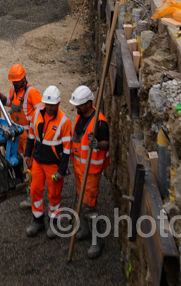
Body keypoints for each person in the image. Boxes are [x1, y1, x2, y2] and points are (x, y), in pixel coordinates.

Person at [25, 86, 72, 239]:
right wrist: (27, 154)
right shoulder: (37, 114)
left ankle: (54, 223)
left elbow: (67, 150)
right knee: (35, 191)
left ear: (58, 103)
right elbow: (31, 136)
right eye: (47, 104)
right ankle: (38, 221)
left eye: (53, 105)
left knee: (54, 195)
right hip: (38, 162)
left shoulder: (64, 121)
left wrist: (62, 170)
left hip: (54, 166)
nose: (50, 108)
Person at [68, 85, 109, 259]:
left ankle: (97, 240)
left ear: (89, 103)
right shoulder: (80, 116)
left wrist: (98, 145)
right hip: (79, 168)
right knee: (81, 201)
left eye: (79, 105)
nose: (76, 107)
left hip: (91, 171)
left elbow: (106, 143)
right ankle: (85, 230)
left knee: (89, 206)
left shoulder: (100, 122)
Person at [6, 65, 43, 172]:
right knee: (17, 158)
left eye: (17, 81)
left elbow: (42, 112)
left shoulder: (32, 92)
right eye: (13, 81)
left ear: (24, 78)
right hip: (17, 132)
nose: (15, 83)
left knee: (29, 161)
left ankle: (32, 182)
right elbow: (11, 103)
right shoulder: (13, 90)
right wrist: (3, 99)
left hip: (28, 134)